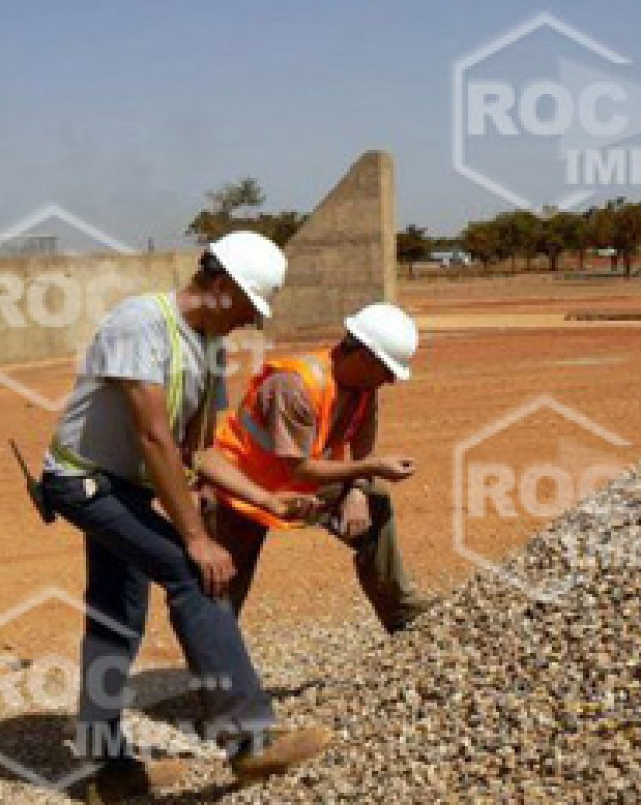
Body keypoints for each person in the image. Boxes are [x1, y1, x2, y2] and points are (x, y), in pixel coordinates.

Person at [39, 231, 330, 802]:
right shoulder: (140, 323)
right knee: (196, 575)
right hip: (83, 482)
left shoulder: (208, 347)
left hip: (122, 489)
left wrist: (266, 500)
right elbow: (152, 436)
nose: (248, 323)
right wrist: (196, 538)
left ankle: (110, 771)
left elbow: (200, 451)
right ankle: (250, 742)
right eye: (247, 308)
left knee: (115, 615)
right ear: (219, 285)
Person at [197, 303, 435, 634]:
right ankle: (215, 675)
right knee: (221, 585)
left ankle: (404, 618)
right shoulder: (295, 385)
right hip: (237, 490)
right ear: (363, 356)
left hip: (292, 486)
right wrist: (372, 467)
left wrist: (356, 489)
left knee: (374, 500)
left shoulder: (365, 389)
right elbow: (300, 470)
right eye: (387, 369)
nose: (392, 380)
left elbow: (361, 443)